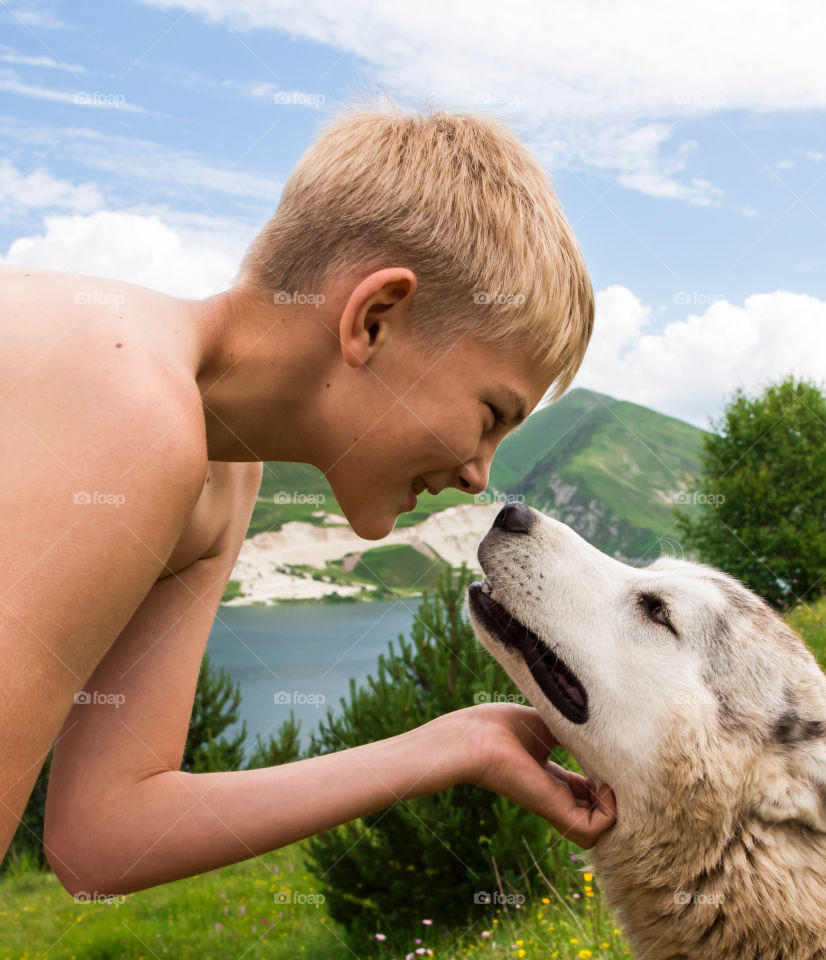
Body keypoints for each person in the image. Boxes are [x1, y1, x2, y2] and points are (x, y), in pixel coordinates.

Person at [0, 101, 615, 894]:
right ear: (375, 319)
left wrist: (452, 747)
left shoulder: (223, 475)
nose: (478, 475)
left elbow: (102, 837)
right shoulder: (129, 404)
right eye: (492, 414)